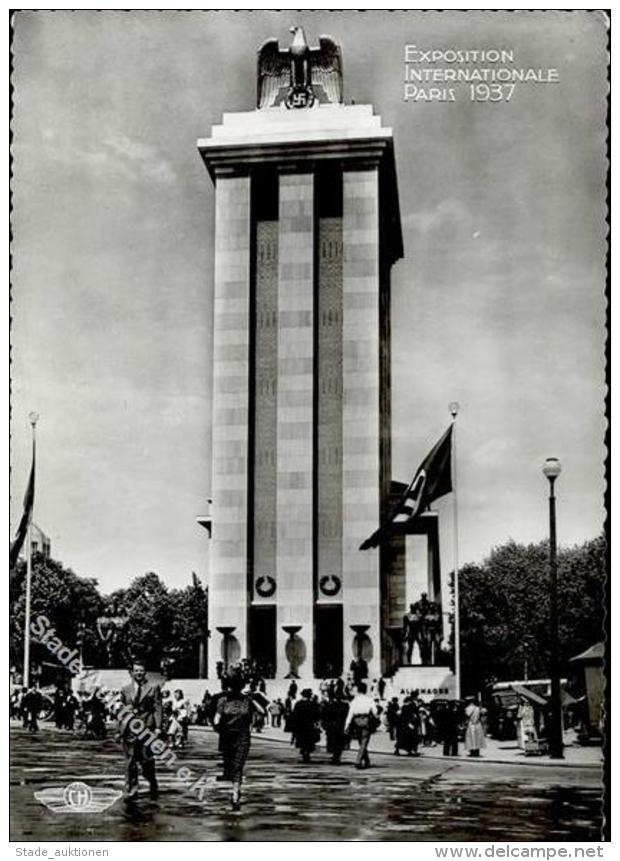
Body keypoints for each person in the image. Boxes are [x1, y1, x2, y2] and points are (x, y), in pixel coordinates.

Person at [214, 671, 263, 810]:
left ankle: (235, 792)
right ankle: (235, 786)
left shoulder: (247, 700)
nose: (233, 689)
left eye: (235, 686)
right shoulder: (222, 700)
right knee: (230, 765)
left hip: (242, 736)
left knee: (238, 765)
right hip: (227, 737)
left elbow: (262, 711)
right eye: (231, 686)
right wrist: (219, 727)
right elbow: (216, 718)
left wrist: (252, 698)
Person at [117, 661, 163, 802]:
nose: (138, 673)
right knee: (130, 761)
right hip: (129, 729)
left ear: (145, 672)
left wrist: (158, 727)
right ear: (132, 672)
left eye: (141, 671)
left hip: (146, 728)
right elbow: (121, 712)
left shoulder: (153, 687)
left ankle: (152, 781)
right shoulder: (125, 690)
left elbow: (158, 708)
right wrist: (119, 730)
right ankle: (132, 789)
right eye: (136, 670)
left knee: (146, 761)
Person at [344, 682, 378, 769]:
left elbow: (350, 714)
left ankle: (367, 760)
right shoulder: (369, 700)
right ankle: (358, 760)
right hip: (366, 719)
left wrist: (347, 725)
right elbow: (375, 712)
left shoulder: (354, 701)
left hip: (356, 720)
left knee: (361, 741)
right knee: (364, 741)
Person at [291, 689, 320, 763]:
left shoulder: (298, 704)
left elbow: (294, 715)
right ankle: (307, 752)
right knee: (309, 740)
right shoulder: (312, 704)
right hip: (309, 725)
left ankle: (304, 751)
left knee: (301, 740)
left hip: (300, 725)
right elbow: (316, 715)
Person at [321, 689, 349, 764]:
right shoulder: (345, 706)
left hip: (332, 726)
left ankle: (335, 755)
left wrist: (325, 725)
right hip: (341, 726)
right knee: (340, 742)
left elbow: (324, 716)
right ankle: (337, 755)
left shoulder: (329, 706)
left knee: (332, 741)